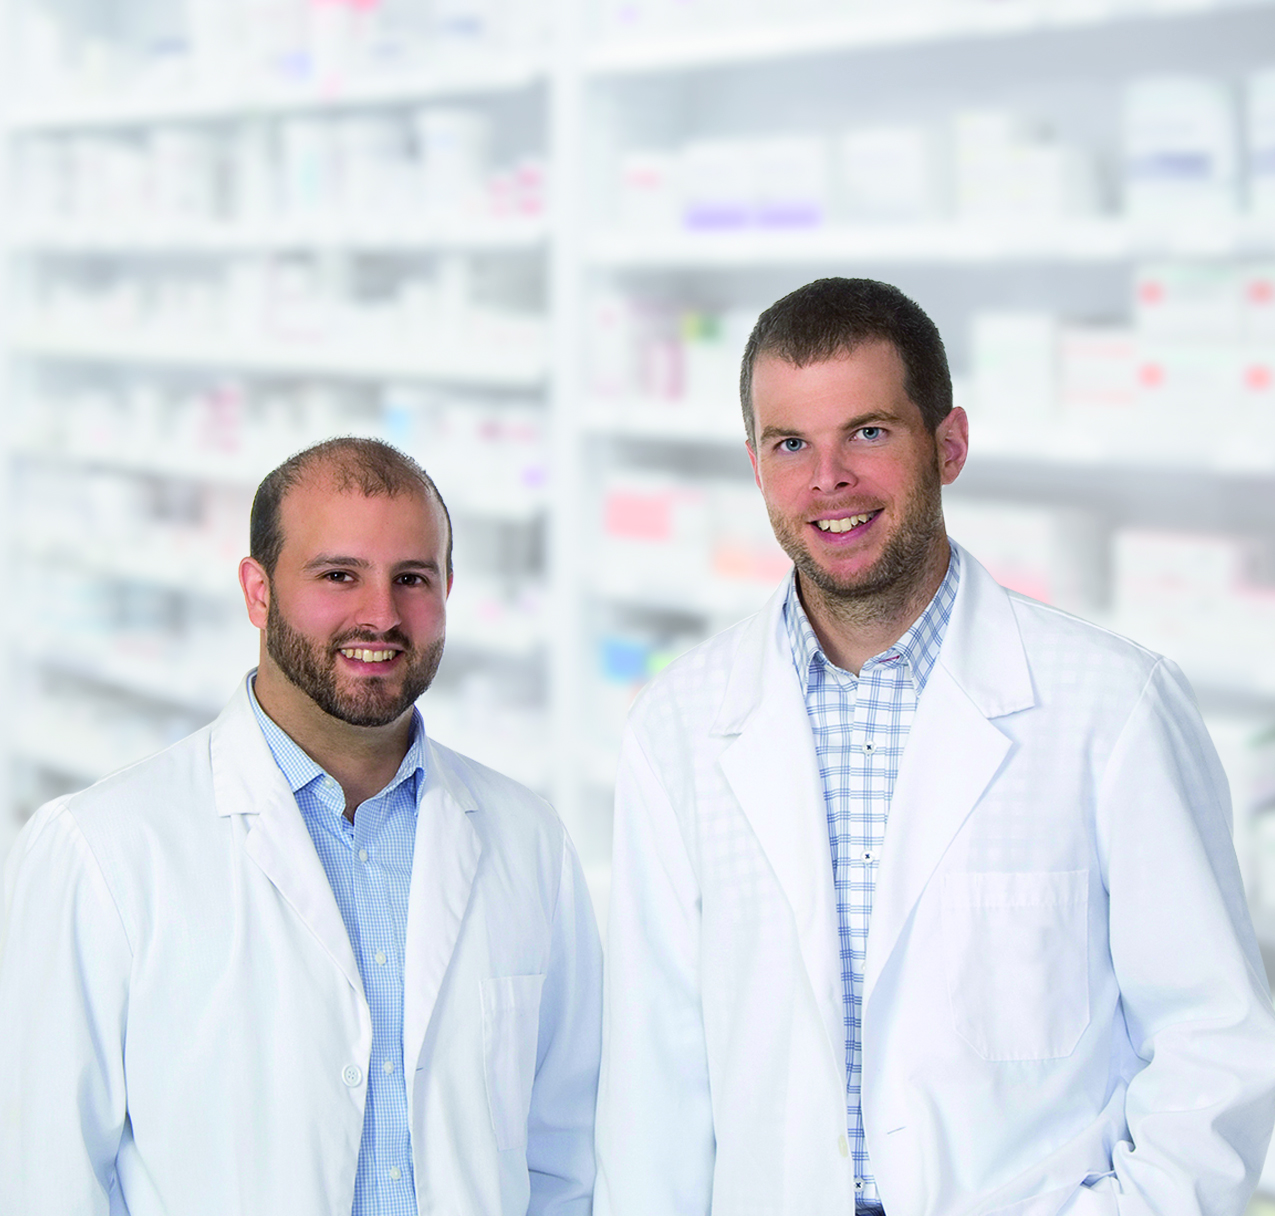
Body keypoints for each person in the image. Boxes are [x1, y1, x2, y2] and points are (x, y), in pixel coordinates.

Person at [594, 277, 1275, 1216]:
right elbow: (654, 1084)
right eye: (790, 444)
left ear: (947, 446)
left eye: (868, 432)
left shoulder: (1112, 707)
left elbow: (1212, 1042)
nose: (827, 479)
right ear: (754, 466)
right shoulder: (678, 727)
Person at [0, 437, 602, 1216]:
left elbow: (565, 1158)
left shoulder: (528, 840)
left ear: (448, 590)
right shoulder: (102, 851)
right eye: (338, 575)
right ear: (258, 593)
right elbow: (46, 1177)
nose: (380, 614)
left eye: (411, 578)